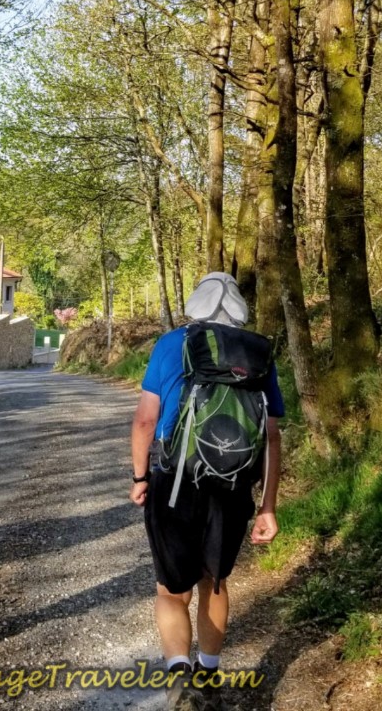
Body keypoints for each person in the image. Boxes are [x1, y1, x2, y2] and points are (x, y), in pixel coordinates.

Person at [130, 272, 283, 710]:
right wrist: (268, 507)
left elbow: (144, 419)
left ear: (196, 303)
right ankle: (209, 674)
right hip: (234, 485)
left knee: (170, 591)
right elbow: (271, 436)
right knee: (213, 582)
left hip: (174, 481)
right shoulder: (257, 354)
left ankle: (180, 679)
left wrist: (140, 477)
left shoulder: (171, 344)